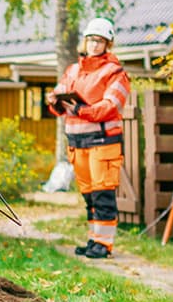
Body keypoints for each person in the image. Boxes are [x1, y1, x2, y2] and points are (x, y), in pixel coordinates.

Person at [51, 17, 132, 258]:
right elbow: (60, 96)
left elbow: (109, 107)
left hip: (103, 143)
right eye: (92, 39)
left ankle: (104, 245)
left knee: (103, 193)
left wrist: (77, 110)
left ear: (108, 44)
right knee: (89, 197)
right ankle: (93, 240)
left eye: (100, 41)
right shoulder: (73, 70)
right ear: (85, 41)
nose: (95, 45)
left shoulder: (116, 73)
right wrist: (55, 101)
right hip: (77, 144)